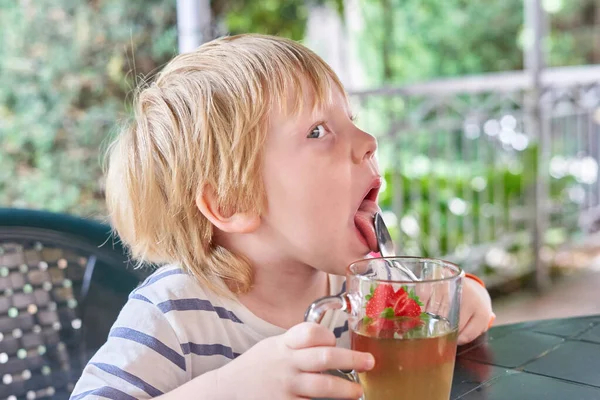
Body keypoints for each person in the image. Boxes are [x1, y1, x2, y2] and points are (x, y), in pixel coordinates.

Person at [71, 33, 494, 400]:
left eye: (352, 120)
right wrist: (227, 390)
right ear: (232, 203)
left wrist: (468, 300)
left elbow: (434, 316)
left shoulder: (366, 291)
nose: (368, 142)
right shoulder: (172, 314)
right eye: (317, 131)